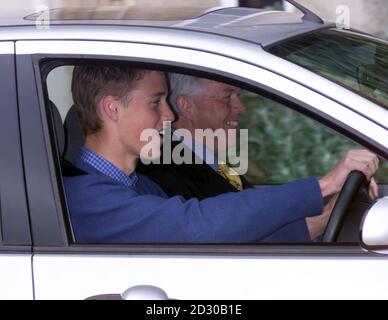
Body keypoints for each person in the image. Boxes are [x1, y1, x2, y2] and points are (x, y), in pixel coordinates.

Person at [63, 65, 379, 243]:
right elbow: (198, 224)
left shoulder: (135, 186)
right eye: (155, 102)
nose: (170, 117)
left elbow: (229, 238)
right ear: (113, 108)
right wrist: (322, 185)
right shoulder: (85, 197)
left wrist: (328, 214)